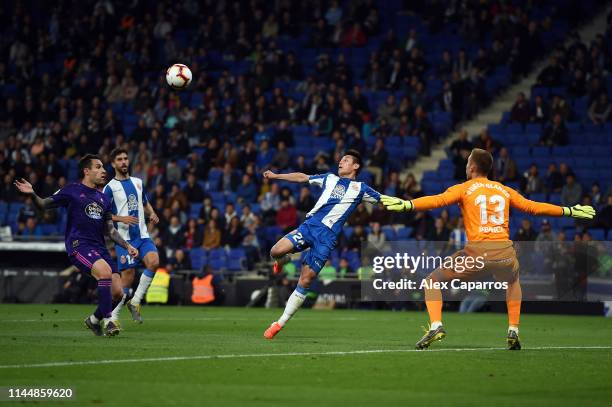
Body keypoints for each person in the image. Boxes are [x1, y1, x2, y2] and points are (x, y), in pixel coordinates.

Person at [380, 148, 595, 350]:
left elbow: (438, 201)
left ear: (472, 167)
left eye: (467, 163)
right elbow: (533, 207)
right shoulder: (504, 189)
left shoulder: (464, 188)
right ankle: (513, 329)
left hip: (478, 253)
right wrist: (569, 210)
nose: (465, 166)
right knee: (512, 281)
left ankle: (436, 325)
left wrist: (408, 205)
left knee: (432, 281)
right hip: (504, 253)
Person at [14, 154, 139, 336]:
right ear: (86, 171)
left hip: (100, 248)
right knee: (104, 273)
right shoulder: (71, 190)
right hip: (79, 245)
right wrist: (32, 194)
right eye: (98, 167)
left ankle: (94, 320)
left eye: (103, 167)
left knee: (118, 293)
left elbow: (110, 231)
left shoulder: (104, 199)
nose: (103, 170)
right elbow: (43, 204)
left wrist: (127, 246)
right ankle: (109, 321)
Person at [262, 150, 382, 339]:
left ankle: (279, 323)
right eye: (341, 159)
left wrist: (409, 205)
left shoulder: (362, 189)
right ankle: (282, 260)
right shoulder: (329, 178)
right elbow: (302, 177)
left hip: (326, 238)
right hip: (310, 226)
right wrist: (277, 176)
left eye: (346, 160)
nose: (341, 162)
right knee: (275, 251)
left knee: (306, 280)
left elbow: (384, 200)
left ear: (356, 166)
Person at [103, 148, 160, 323]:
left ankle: (135, 302)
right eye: (119, 159)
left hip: (142, 236)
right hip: (124, 239)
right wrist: (122, 218)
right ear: (113, 164)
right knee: (127, 277)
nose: (124, 162)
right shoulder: (109, 188)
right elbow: (102, 214)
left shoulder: (138, 182)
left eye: (126, 158)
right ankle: (112, 316)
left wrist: (152, 212)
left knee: (154, 262)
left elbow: (145, 202)